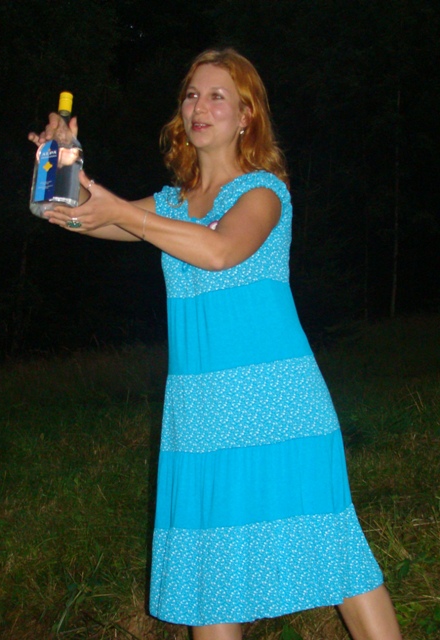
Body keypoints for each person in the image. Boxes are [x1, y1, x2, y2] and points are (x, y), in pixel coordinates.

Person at [29, 48, 402, 640]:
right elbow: (72, 215)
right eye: (191, 95)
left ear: (247, 115)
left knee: (334, 552)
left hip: (278, 404)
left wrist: (124, 212)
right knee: (211, 576)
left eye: (217, 96)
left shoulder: (263, 192)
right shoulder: (171, 204)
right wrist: (62, 161)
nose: (199, 106)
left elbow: (220, 250)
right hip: (201, 413)